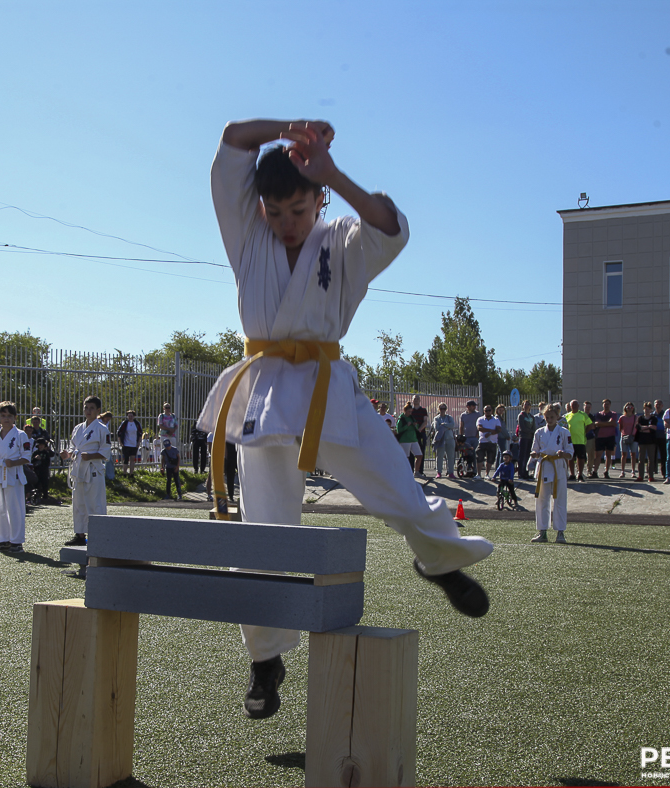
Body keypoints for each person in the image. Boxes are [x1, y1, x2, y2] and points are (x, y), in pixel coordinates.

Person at [195, 118, 491, 720]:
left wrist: (330, 170)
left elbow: (390, 224)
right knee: (264, 533)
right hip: (264, 392)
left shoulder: (342, 241)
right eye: (276, 212)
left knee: (398, 488)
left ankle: (440, 560)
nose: (286, 223)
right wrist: (288, 128)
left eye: (299, 210)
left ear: (319, 200)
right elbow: (233, 138)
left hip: (327, 386)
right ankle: (265, 659)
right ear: (259, 206)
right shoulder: (246, 232)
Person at [61, 395, 111, 546]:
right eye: (86, 408)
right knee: (78, 503)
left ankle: (98, 535)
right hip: (78, 469)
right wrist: (67, 454)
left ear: (98, 410)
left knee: (95, 503)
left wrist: (90, 456)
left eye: (91, 408)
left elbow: (106, 453)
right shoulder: (78, 428)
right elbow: (72, 447)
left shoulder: (102, 429)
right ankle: (80, 534)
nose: (88, 411)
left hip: (93, 469)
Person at [0, 400, 30, 552]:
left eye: (9, 416)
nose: (6, 419)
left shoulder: (21, 435)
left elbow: (27, 457)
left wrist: (13, 462)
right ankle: (3, 540)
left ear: (15, 417)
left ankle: (16, 542)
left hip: (13, 474)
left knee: (15, 508)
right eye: (3, 416)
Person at [530, 403, 572, 543]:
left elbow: (570, 453)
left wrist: (563, 454)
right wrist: (535, 454)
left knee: (560, 500)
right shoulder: (539, 432)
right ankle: (542, 532)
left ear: (557, 416)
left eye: (552, 417)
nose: (549, 420)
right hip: (544, 466)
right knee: (542, 500)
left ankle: (560, 532)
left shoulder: (564, 432)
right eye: (547, 417)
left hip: (558, 466)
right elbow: (535, 450)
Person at [562, 399, 589, 482]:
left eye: (575, 404)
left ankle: (580, 474)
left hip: (580, 440)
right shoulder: (566, 416)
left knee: (581, 458)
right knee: (570, 458)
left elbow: (590, 425)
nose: (574, 406)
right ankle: (572, 474)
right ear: (570, 406)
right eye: (572, 405)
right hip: (570, 441)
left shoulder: (583, 415)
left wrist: (584, 432)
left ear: (578, 406)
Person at [592, 399, 618, 479]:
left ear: (610, 405)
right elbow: (597, 424)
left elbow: (613, 423)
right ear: (602, 405)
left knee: (608, 455)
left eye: (607, 404)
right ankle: (595, 472)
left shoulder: (613, 414)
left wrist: (602, 424)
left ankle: (606, 471)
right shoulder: (599, 414)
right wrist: (609, 423)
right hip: (600, 436)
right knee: (598, 455)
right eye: (605, 404)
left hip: (610, 436)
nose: (606, 405)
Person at [634, 402, 659, 482]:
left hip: (651, 441)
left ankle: (650, 476)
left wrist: (644, 428)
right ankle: (640, 476)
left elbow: (653, 429)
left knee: (651, 459)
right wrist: (648, 427)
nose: (647, 411)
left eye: (648, 409)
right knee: (641, 459)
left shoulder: (653, 419)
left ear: (651, 410)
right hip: (642, 441)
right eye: (645, 409)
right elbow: (639, 428)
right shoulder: (640, 418)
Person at [431, 402, 456, 478]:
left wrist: (443, 425)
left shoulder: (449, 417)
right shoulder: (436, 418)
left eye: (444, 408)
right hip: (440, 439)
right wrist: (447, 427)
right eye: (441, 408)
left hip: (450, 439)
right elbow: (437, 427)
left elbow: (452, 425)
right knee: (439, 456)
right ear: (439, 409)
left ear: (446, 409)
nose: (442, 410)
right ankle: (439, 472)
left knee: (451, 456)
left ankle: (451, 472)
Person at [395, 402, 421, 472]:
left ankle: (416, 472)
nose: (410, 413)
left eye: (411, 411)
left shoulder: (411, 417)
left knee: (419, 455)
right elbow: (399, 430)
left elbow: (416, 427)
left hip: (413, 439)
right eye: (409, 411)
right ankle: (405, 472)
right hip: (405, 440)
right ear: (405, 411)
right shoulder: (401, 418)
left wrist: (415, 425)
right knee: (406, 457)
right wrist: (407, 426)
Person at [476, 404, 501, 478]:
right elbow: (479, 428)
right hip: (482, 441)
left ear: (492, 411)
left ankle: (487, 474)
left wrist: (490, 433)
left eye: (489, 410)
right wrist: (491, 430)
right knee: (479, 457)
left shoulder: (496, 420)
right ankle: (478, 474)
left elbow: (499, 430)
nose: (487, 412)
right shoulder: (480, 419)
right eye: (486, 410)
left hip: (492, 442)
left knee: (490, 458)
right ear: (484, 411)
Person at [459, 400, 481, 476]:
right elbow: (461, 426)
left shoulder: (477, 414)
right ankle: (468, 469)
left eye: (475, 406)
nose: (474, 407)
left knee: (475, 454)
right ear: (468, 407)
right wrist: (461, 436)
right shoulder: (463, 415)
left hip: (474, 437)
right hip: (466, 438)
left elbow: (480, 425)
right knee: (467, 454)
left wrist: (477, 435)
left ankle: (475, 471)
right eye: (473, 406)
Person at [409, 394, 429, 476]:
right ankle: (411, 471)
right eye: (414, 398)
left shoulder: (423, 410)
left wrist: (419, 429)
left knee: (421, 452)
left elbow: (425, 421)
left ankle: (420, 471)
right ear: (412, 400)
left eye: (417, 398)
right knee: (411, 453)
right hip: (411, 434)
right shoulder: (410, 410)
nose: (416, 399)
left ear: (420, 400)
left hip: (421, 433)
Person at [516, 400, 536, 479]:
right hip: (523, 437)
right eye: (525, 404)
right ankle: (521, 473)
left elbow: (534, 427)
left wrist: (533, 432)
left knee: (528, 455)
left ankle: (526, 472)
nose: (527, 406)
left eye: (528, 404)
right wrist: (530, 431)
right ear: (523, 406)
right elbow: (522, 427)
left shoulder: (531, 417)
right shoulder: (521, 415)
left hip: (530, 438)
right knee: (522, 455)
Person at [616, 402, 637, 479]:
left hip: (633, 437)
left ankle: (633, 471)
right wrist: (624, 433)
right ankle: (622, 471)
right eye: (628, 407)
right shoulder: (622, 418)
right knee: (624, 454)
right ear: (625, 408)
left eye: (631, 407)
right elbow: (620, 428)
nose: (629, 409)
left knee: (633, 454)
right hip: (624, 436)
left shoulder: (635, 417)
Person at [118, 410, 142, 475]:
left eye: (131, 416)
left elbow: (140, 433)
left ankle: (131, 473)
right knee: (126, 459)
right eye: (129, 416)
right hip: (126, 444)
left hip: (134, 444)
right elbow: (119, 433)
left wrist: (138, 442)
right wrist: (121, 442)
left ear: (134, 416)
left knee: (132, 459)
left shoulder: (137, 424)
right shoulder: (125, 423)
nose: (130, 417)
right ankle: (124, 473)